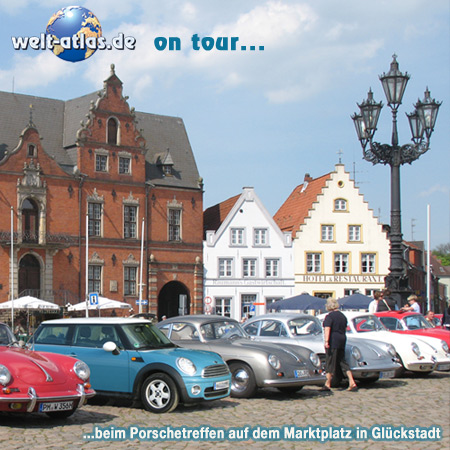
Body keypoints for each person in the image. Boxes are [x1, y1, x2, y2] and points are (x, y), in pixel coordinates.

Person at [322, 297, 358, 392]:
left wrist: (326, 341)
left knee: (330, 361)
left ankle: (327, 384)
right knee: (342, 361)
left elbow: (327, 329)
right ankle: (352, 381)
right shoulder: (342, 316)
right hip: (342, 339)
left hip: (333, 340)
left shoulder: (329, 317)